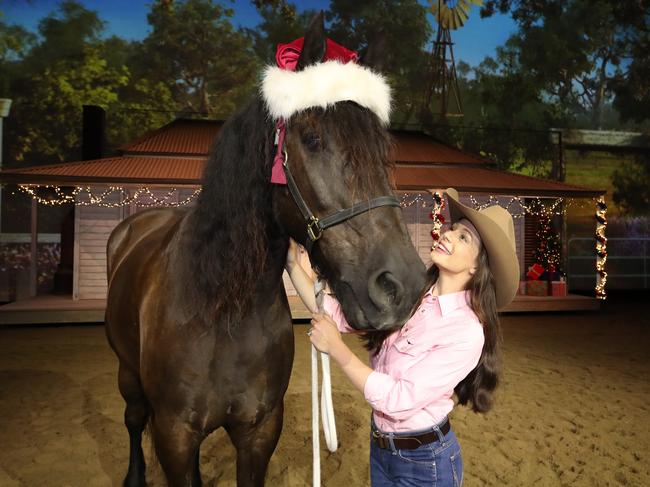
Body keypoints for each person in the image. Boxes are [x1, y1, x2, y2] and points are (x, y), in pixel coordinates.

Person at [285, 188, 520, 487]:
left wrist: (338, 350)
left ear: (477, 266)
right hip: (382, 449)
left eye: (463, 238)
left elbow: (399, 399)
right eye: (453, 229)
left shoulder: (466, 332)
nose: (447, 235)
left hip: (425, 463)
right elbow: (337, 315)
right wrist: (293, 265)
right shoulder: (412, 294)